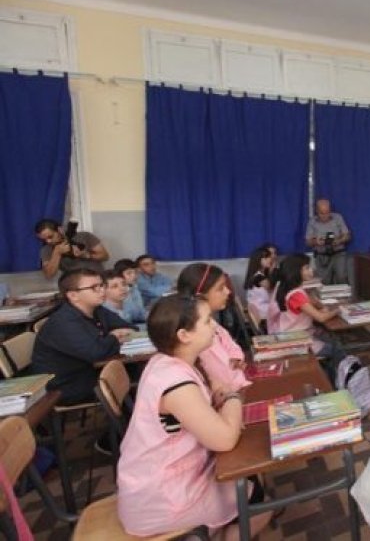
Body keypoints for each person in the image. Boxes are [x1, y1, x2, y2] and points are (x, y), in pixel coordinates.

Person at [116, 294, 271, 537]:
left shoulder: (168, 362)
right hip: (163, 497)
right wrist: (232, 397)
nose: (215, 326)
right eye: (208, 321)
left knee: (250, 477)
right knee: (261, 505)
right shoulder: (175, 383)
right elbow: (225, 439)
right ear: (184, 335)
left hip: (163, 478)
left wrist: (223, 399)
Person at [31, 268, 135, 405]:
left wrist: (108, 339)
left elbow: (130, 328)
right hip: (66, 384)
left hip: (89, 370)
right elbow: (97, 353)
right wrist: (114, 337)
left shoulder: (97, 309)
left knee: (135, 372)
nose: (102, 290)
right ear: (73, 295)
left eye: (101, 285)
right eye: (94, 287)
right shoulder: (64, 322)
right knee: (130, 378)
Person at [270, 253, 345, 382]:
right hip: (295, 340)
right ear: (296, 271)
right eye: (306, 268)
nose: (311, 270)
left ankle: (328, 374)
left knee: (330, 338)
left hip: (292, 334)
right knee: (336, 349)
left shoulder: (291, 288)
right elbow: (321, 318)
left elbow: (313, 303)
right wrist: (339, 310)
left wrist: (317, 304)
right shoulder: (297, 295)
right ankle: (334, 383)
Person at [176, 263, 250, 392]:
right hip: (221, 395)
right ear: (199, 296)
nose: (228, 291)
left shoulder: (212, 324)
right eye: (221, 288)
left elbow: (230, 345)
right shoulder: (195, 335)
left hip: (235, 387)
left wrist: (236, 357)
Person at [34, 218, 110, 278]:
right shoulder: (46, 250)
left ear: (60, 230)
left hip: (97, 276)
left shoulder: (84, 236)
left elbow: (105, 256)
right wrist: (57, 253)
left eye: (50, 237)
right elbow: (49, 274)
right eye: (43, 240)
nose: (48, 241)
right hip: (74, 283)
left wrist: (86, 255)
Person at [305, 199, 351, 284]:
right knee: (324, 282)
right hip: (321, 256)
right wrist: (316, 242)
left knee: (342, 277)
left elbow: (347, 235)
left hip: (338, 253)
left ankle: (344, 296)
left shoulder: (338, 218)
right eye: (322, 213)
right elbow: (308, 241)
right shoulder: (312, 222)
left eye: (327, 212)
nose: (325, 215)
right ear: (317, 211)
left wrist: (338, 241)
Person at [243, 245, 276, 321]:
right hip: (261, 313)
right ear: (258, 260)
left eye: (270, 257)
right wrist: (272, 270)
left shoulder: (261, 275)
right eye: (266, 258)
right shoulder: (258, 277)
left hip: (263, 309)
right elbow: (270, 286)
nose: (270, 260)